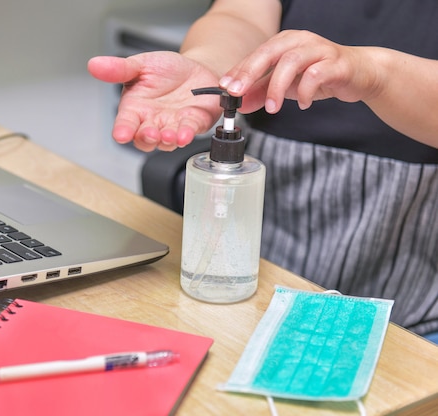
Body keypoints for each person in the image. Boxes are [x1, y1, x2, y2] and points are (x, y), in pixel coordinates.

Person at [88, 0, 438, 339]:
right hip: (270, 243)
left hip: (406, 258)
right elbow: (241, 15)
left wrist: (375, 74)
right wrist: (208, 65)